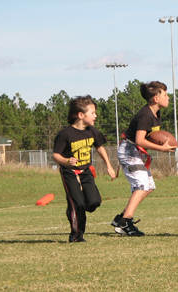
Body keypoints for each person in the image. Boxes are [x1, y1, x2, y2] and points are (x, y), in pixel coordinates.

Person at [111, 81, 177, 236]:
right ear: (155, 98)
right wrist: (163, 148)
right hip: (129, 151)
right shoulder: (145, 115)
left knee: (149, 186)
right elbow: (140, 140)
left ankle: (121, 218)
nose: (168, 97)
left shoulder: (156, 114)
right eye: (165, 94)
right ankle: (125, 223)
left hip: (137, 152)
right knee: (141, 186)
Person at [52, 95, 117, 243]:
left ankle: (73, 209)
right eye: (92, 113)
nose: (96, 115)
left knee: (94, 202)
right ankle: (76, 236)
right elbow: (56, 156)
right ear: (81, 115)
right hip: (69, 172)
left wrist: (109, 166)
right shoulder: (65, 134)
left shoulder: (92, 131)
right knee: (78, 204)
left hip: (86, 171)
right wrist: (67, 161)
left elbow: (100, 148)